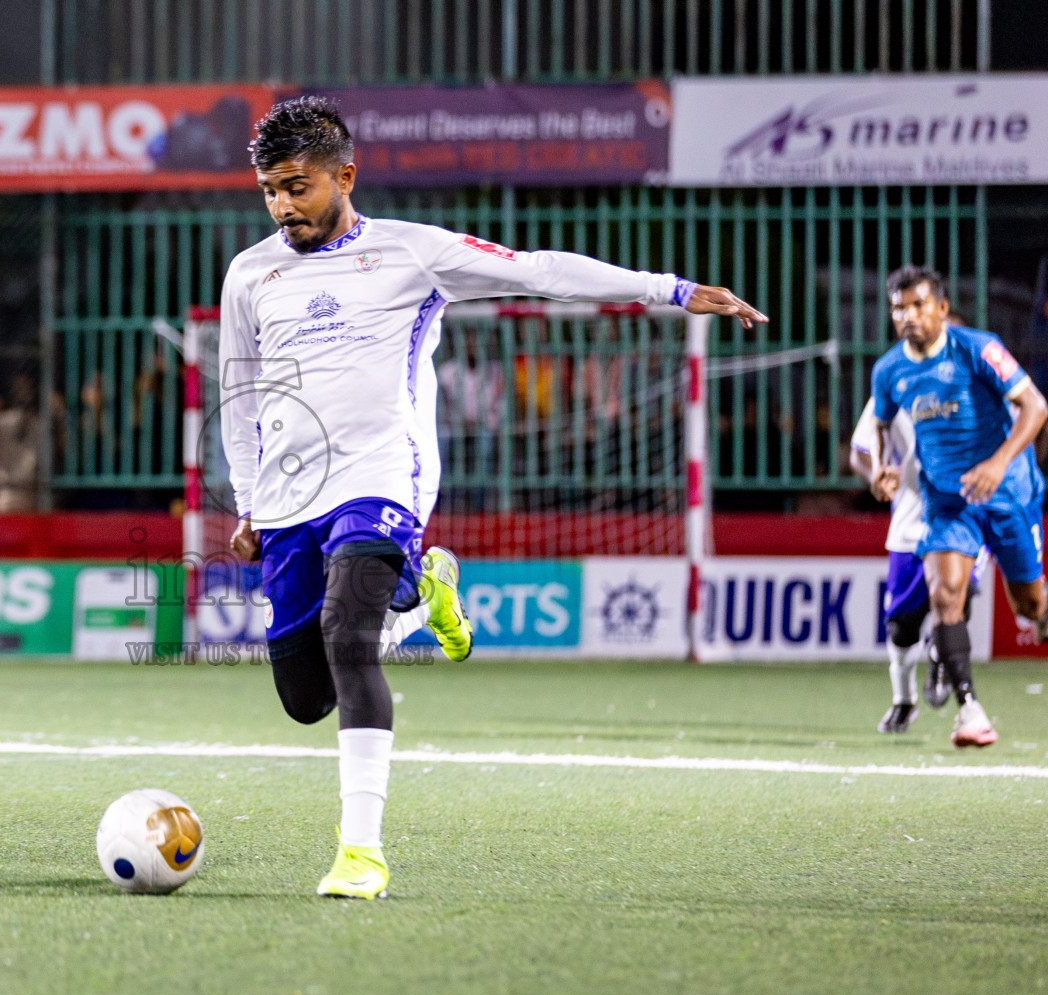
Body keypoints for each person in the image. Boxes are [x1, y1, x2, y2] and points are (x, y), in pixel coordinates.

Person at [220, 96, 767, 899]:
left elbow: (538, 271)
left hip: (381, 479)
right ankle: (425, 586)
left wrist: (671, 290)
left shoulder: (414, 254)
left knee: (349, 638)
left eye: (297, 187)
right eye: (269, 189)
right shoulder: (249, 273)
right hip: (287, 496)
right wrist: (246, 503)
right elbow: (241, 394)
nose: (282, 206)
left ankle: (360, 852)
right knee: (304, 700)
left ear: (345, 175)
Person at [870, 266, 1048, 748]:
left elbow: (1036, 407)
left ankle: (1041, 607)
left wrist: (997, 463)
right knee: (946, 595)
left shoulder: (977, 347)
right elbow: (882, 430)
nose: (908, 316)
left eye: (918, 305)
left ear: (942, 309)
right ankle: (970, 711)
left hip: (1009, 493)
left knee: (1029, 606)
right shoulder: (888, 371)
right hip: (947, 501)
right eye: (898, 308)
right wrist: (883, 469)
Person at [851, 397, 985, 732]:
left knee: (957, 599)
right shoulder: (895, 380)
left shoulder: (975, 374)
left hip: (962, 516)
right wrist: (877, 475)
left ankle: (947, 666)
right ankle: (904, 701)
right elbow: (859, 453)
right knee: (901, 625)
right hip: (911, 520)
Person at [0, 373, 46, 514]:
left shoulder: (40, 424)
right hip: (6, 491)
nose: (24, 393)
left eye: (28, 388)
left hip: (31, 491)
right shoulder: (0, 421)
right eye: (19, 389)